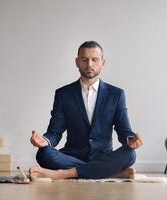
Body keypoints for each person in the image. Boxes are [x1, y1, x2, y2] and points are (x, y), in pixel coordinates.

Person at [29, 41, 143, 180]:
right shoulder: (63, 94)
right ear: (77, 62)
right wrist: (44, 140)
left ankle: (63, 174)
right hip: (72, 155)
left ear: (103, 62)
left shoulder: (116, 94)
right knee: (43, 154)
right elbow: (55, 132)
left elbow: (124, 131)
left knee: (130, 154)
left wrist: (132, 140)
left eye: (94, 59)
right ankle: (108, 172)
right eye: (84, 59)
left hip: (103, 155)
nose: (89, 64)